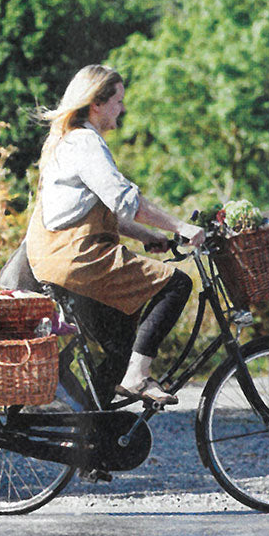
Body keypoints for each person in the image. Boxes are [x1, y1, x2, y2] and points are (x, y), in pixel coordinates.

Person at [26, 64, 205, 407]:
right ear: (96, 103)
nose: (122, 109)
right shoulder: (84, 142)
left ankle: (92, 433)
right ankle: (138, 377)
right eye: (118, 101)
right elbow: (126, 200)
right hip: (76, 256)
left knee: (123, 345)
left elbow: (102, 211)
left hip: (63, 255)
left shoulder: (72, 140)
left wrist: (147, 236)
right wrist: (181, 226)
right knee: (177, 284)